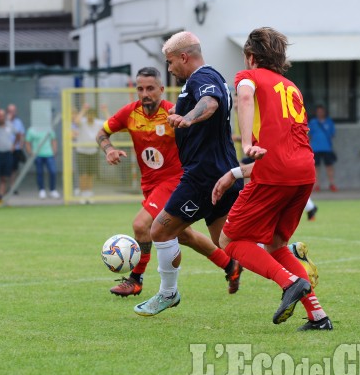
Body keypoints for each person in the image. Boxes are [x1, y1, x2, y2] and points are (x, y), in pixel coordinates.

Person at [211, 27, 332, 331]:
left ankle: (289, 282)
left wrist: (246, 144)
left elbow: (245, 95)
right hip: (304, 173)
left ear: (251, 57)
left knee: (230, 240)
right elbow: (284, 150)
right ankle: (318, 316)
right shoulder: (291, 87)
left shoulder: (247, 77)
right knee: (277, 245)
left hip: (275, 173)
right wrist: (234, 173)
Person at [97, 67, 243, 297]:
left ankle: (136, 279)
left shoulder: (174, 113)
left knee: (140, 225)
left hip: (175, 181)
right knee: (184, 236)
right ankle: (230, 265)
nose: (145, 93)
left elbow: (201, 129)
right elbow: (101, 133)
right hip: (150, 186)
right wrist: (109, 150)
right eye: (140, 89)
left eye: (150, 88)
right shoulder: (129, 113)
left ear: (161, 90)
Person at [133, 31, 244, 316]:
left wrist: (187, 117)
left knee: (159, 229)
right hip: (221, 171)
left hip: (202, 176)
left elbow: (210, 104)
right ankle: (291, 257)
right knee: (229, 245)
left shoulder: (200, 78)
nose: (169, 69)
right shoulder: (211, 77)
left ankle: (168, 293)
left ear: (184, 57)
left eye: (170, 62)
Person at [73, 104, 103, 197]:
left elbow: (110, 122)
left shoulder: (98, 123)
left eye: (92, 115)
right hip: (81, 152)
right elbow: (76, 121)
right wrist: (83, 110)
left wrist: (105, 110)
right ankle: (83, 192)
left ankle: (89, 192)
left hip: (93, 152)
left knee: (90, 174)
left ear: (94, 115)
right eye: (88, 115)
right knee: (83, 174)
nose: (90, 117)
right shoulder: (82, 121)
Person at [308, 105, 338, 192]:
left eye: (321, 111)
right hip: (315, 148)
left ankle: (331, 184)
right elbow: (309, 135)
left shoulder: (329, 122)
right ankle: (317, 185)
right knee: (316, 167)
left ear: (324, 112)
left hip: (327, 148)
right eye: (318, 111)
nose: (320, 113)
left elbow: (332, 134)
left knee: (329, 166)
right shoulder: (313, 122)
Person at [25, 125, 59, 199]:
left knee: (53, 171)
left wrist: (55, 151)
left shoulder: (49, 128)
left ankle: (52, 190)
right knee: (39, 173)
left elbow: (53, 140)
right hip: (37, 155)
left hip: (49, 154)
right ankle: (42, 190)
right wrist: (30, 152)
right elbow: (27, 142)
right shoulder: (31, 130)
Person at [6, 104, 25, 194]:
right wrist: (8, 121)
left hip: (16, 149)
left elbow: (21, 134)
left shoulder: (19, 122)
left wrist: (20, 146)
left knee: (14, 169)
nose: (12, 113)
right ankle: (4, 187)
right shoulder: (4, 121)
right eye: (10, 111)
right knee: (6, 168)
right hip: (5, 149)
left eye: (13, 111)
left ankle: (12, 186)